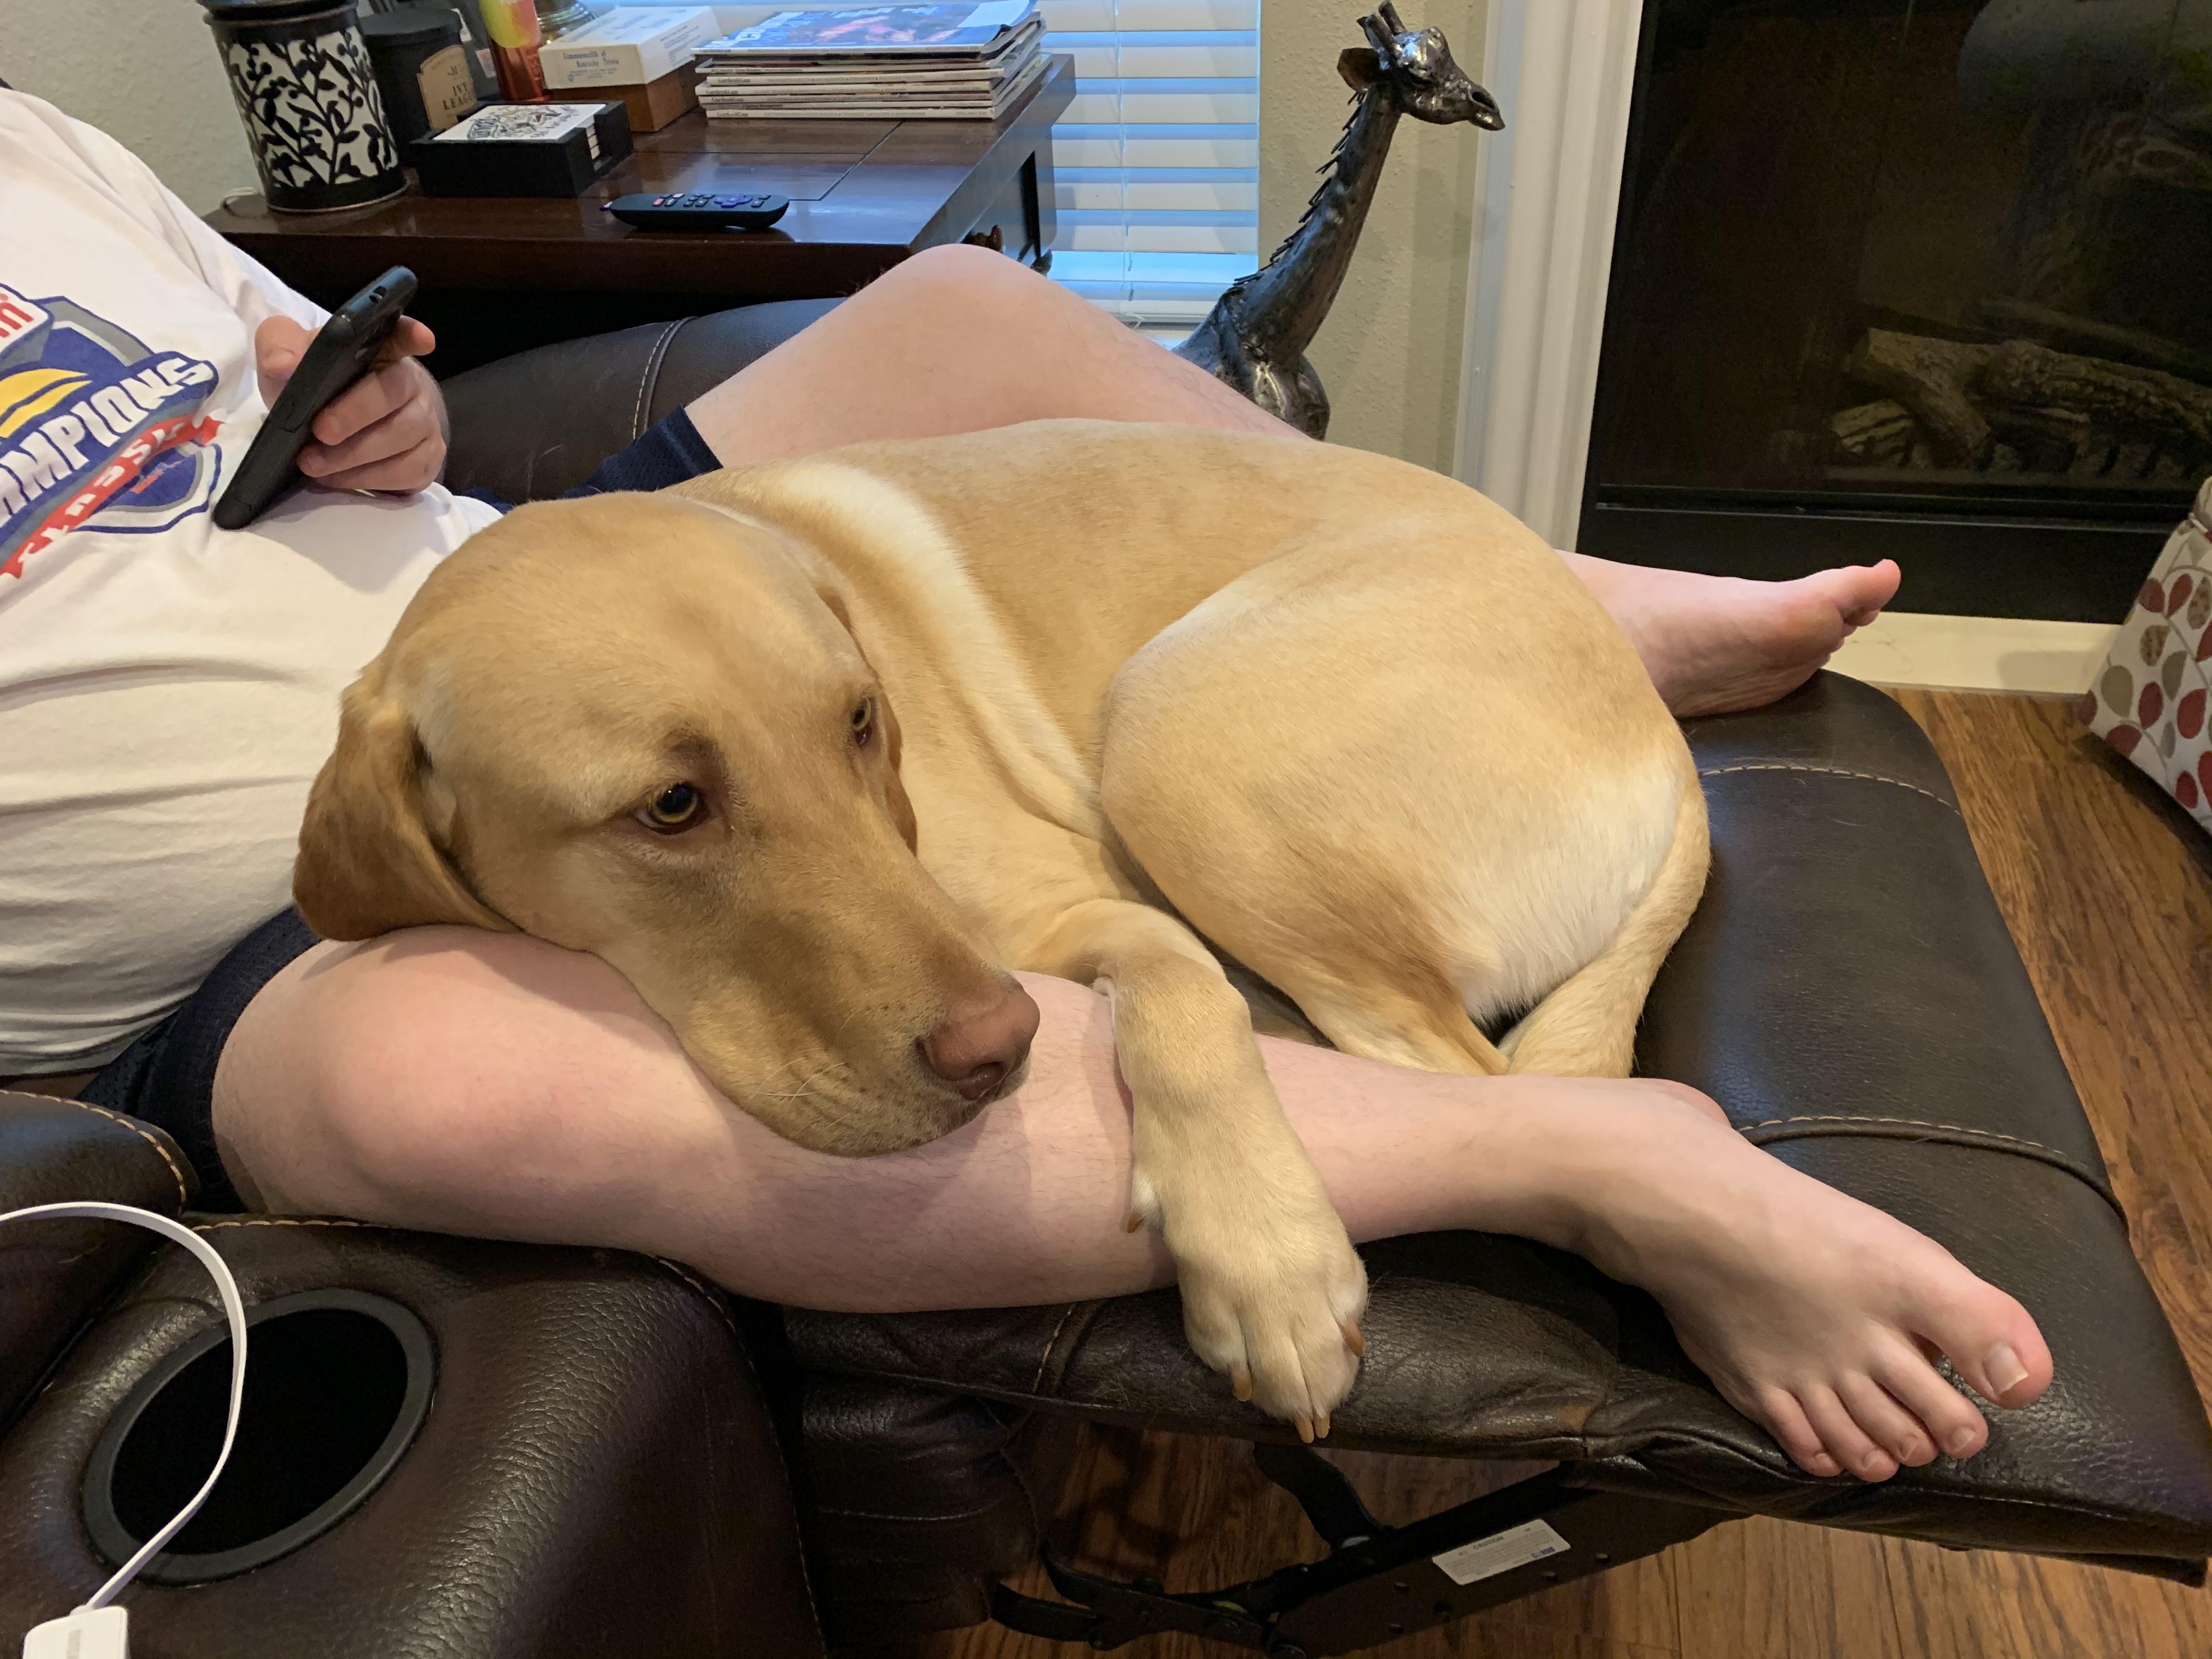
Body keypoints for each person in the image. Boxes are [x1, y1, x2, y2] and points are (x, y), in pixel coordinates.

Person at [0, 88, 2050, 1484]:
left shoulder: (40, 140)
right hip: (257, 922)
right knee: (430, 1084)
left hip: (538, 597)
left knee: (963, 308)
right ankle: (1583, 1151)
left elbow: (299, 353)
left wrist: (372, 405)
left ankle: (1565, 609)